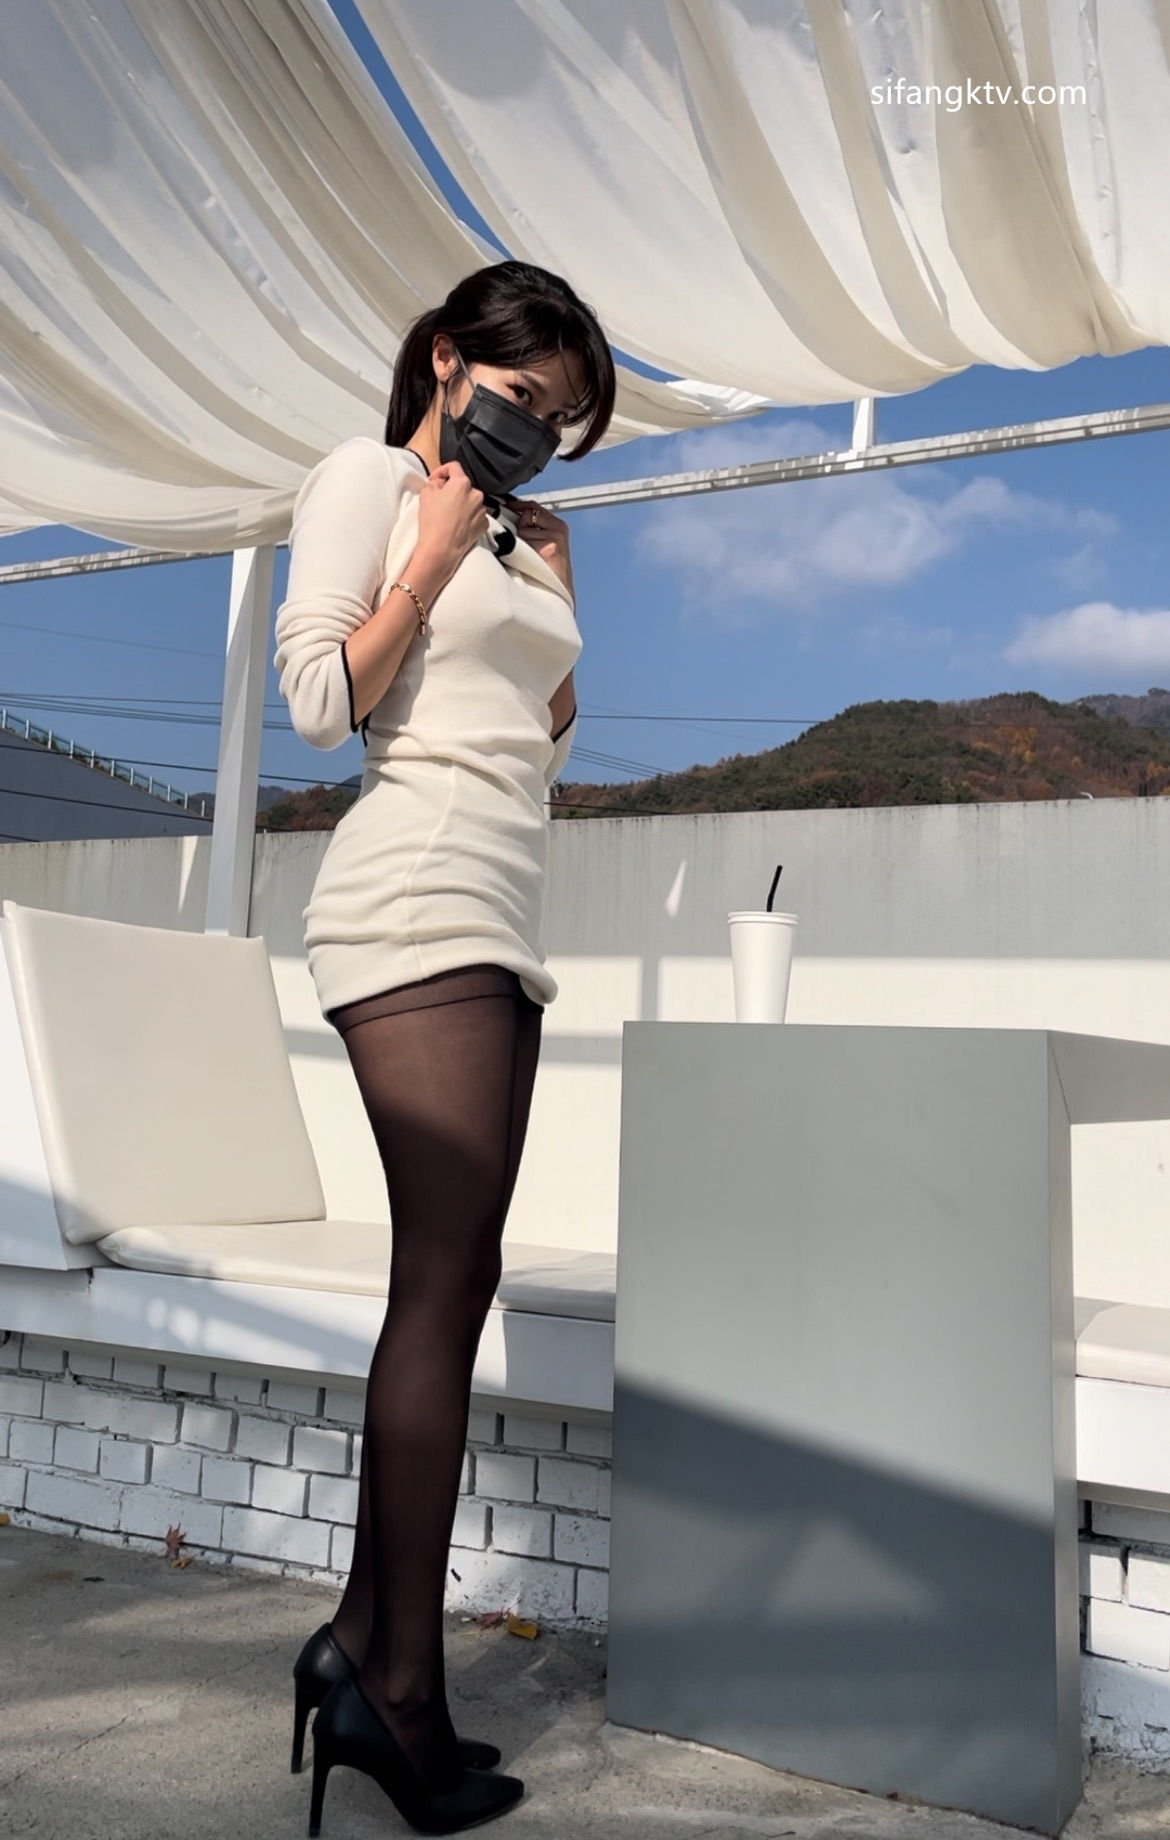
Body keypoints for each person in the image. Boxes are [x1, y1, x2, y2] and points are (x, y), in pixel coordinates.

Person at [272, 259, 616, 1836]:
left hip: (497, 902)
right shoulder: (365, 480)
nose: (538, 428)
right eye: (525, 395)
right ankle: (396, 1686)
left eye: (563, 416)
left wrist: (557, 596)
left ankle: (365, 1647)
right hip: (410, 899)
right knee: (439, 1282)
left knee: (453, 1278)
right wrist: (423, 556)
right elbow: (320, 703)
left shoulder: (514, 532)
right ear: (445, 359)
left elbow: (536, 749)